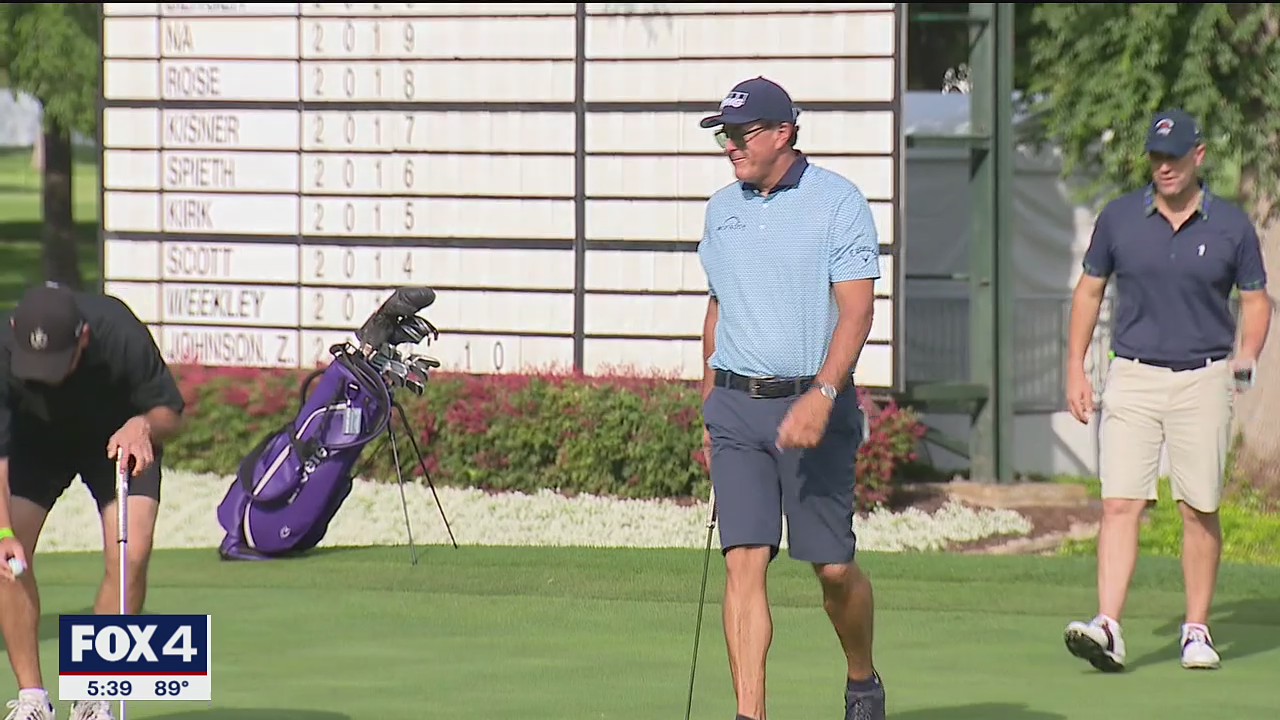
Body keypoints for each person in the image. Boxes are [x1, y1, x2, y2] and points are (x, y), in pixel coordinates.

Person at [696, 76, 885, 720]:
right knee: (743, 561)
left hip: (814, 408)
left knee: (832, 568)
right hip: (736, 410)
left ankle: (862, 678)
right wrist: (709, 404)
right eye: (723, 135)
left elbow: (857, 311)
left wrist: (824, 393)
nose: (730, 146)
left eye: (740, 134)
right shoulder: (721, 210)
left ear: (783, 133)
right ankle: (750, 714)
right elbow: (718, 309)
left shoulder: (838, 202)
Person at [1063, 109, 1272, 673]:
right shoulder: (1119, 218)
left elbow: (1256, 300)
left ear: (1197, 156)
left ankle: (1196, 630)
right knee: (1119, 502)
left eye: (1174, 157)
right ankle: (1108, 626)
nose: (1164, 167)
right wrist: (1075, 368)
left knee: (1198, 507)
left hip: (1204, 377)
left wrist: (1247, 354)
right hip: (1132, 375)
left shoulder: (1230, 225)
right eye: (1156, 157)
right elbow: (1088, 293)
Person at [0, 283, 187, 720]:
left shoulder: (118, 331)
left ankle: (94, 691)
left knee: (131, 553)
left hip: (120, 439)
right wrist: (3, 532)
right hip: (35, 443)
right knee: (8, 561)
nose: (46, 377)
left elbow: (172, 414)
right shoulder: (2, 348)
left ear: (83, 337)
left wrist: (144, 424)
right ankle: (33, 699)